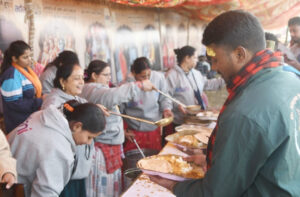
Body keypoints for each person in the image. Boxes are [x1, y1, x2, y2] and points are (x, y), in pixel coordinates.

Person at [150, 10, 300, 196]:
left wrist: (174, 186)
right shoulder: (290, 78)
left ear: (239, 54)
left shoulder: (243, 113)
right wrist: (216, 162)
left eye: (216, 60)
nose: (213, 67)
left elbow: (215, 193)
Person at [80, 60, 154, 196]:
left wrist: (123, 132)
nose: (109, 78)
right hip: (101, 149)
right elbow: (112, 96)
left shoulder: (99, 88)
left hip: (109, 145)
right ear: (94, 76)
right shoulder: (91, 89)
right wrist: (139, 85)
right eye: (106, 75)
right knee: (102, 190)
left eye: (110, 75)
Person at [8, 100, 106, 197]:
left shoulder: (42, 116)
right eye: (89, 137)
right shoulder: (59, 150)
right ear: (77, 126)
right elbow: (46, 193)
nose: (88, 143)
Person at [42, 62, 107, 197]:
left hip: (77, 172)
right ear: (62, 81)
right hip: (65, 174)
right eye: (76, 78)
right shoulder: (53, 103)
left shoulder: (76, 99)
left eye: (82, 78)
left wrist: (93, 109)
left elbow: (76, 110)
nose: (81, 82)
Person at [121, 57, 173, 152]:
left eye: (149, 75)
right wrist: (123, 130)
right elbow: (119, 111)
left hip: (154, 127)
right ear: (133, 73)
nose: (147, 79)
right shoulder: (126, 86)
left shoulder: (159, 78)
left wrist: (167, 109)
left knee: (154, 159)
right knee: (136, 160)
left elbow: (165, 97)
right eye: (142, 76)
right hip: (134, 130)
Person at [166, 45, 225, 126]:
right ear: (187, 58)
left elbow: (207, 84)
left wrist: (225, 79)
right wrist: (177, 105)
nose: (197, 61)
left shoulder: (196, 73)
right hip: (180, 121)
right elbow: (165, 97)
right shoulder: (171, 75)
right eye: (194, 58)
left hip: (197, 118)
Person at [0, 40, 42, 133]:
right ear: (14, 59)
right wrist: (39, 101)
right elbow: (16, 103)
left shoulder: (25, 70)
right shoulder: (11, 76)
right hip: (18, 124)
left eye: (30, 56)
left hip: (28, 119)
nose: (30, 59)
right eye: (25, 57)